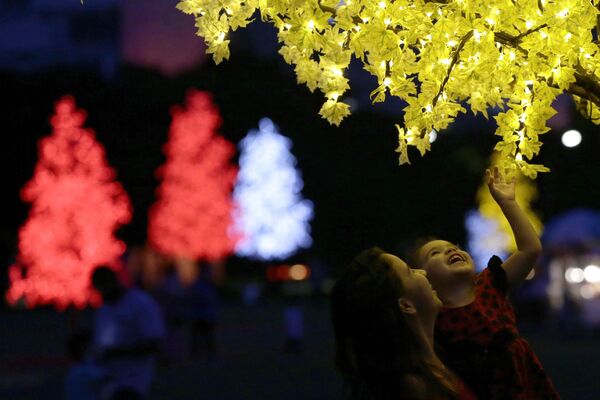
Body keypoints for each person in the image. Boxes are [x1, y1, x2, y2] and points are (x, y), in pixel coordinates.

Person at [410, 167, 560, 399]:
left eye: (453, 247)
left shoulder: (490, 284)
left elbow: (531, 249)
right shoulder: (433, 315)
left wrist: (508, 203)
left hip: (522, 385)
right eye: (435, 253)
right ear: (423, 277)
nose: (450, 249)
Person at [331, 247, 478, 400]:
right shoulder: (415, 389)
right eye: (411, 272)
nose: (423, 272)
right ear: (406, 305)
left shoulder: (439, 361)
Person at [91, 266, 166, 400]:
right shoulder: (105, 308)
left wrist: (118, 352)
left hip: (134, 379)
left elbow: (153, 343)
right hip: (108, 379)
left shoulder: (140, 304)